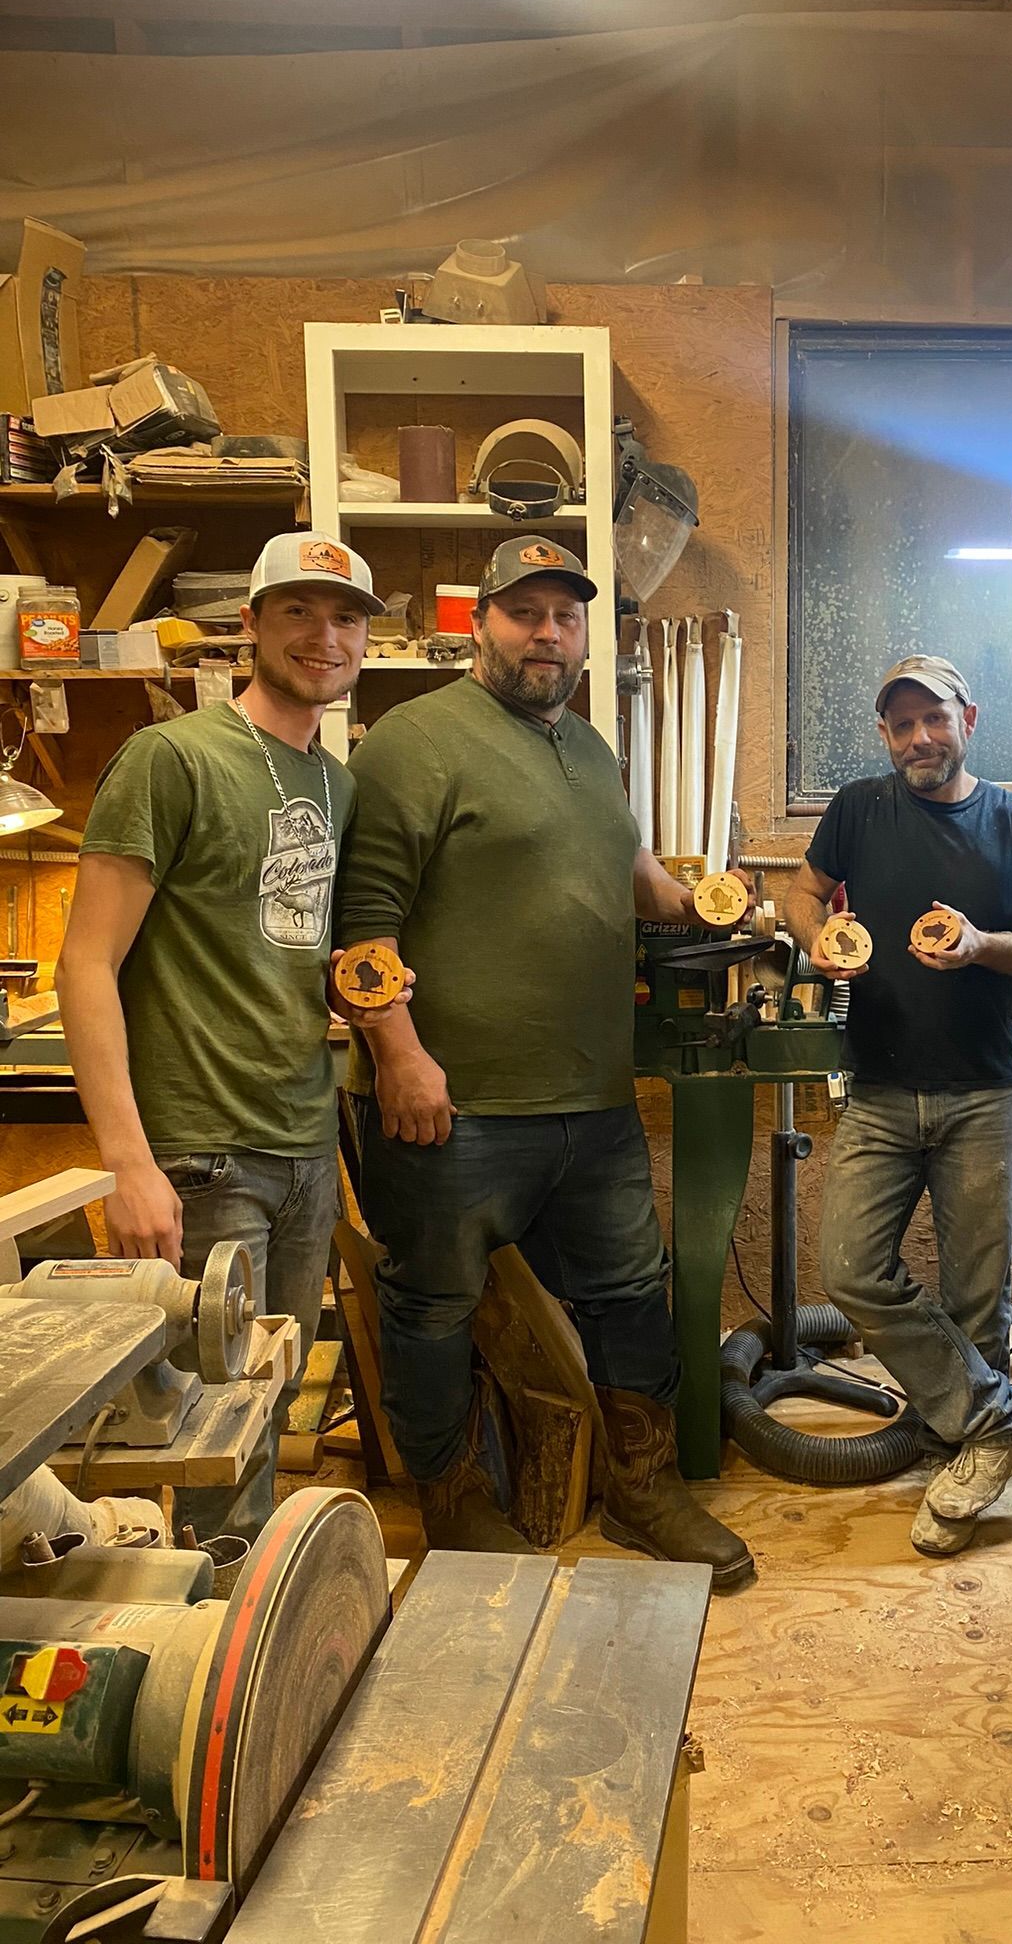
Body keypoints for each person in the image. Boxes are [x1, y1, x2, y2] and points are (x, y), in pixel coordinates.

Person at [334, 534, 754, 1588]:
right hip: (456, 1103)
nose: (548, 633)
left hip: (591, 1097)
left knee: (628, 1295)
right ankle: (455, 1503)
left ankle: (642, 1486)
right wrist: (400, 1055)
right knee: (431, 1305)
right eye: (525, 612)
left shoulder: (592, 748)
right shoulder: (413, 741)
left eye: (566, 615)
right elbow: (363, 930)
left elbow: (631, 869)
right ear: (482, 621)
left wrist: (711, 899)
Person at [58, 531, 390, 1546]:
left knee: (268, 1408)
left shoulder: (336, 782)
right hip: (202, 1152)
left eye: (344, 617)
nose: (321, 636)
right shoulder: (173, 758)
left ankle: (250, 1638)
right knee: (208, 1427)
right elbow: (85, 963)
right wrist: (128, 1160)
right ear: (248, 625)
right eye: (296, 610)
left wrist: (355, 992)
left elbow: (282, 944)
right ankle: (212, 1654)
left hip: (298, 1138)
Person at [785, 655, 1012, 1557]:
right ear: (884, 735)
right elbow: (800, 893)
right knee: (849, 1267)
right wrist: (819, 938)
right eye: (902, 724)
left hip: (985, 1089)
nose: (920, 737)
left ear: (969, 719)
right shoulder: (859, 809)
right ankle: (1001, 1422)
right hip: (876, 1087)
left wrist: (986, 943)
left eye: (935, 719)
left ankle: (966, 1470)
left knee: (976, 1298)